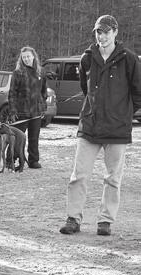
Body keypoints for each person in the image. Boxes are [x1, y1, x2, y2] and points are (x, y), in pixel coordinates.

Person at [60, 15, 141, 236]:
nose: (102, 36)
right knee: (78, 175)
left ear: (115, 32)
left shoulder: (130, 59)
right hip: (90, 126)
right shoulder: (87, 59)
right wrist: (93, 110)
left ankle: (105, 221)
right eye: (98, 32)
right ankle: (73, 218)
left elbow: (138, 93)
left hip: (117, 129)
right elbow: (86, 90)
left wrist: (123, 114)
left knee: (113, 178)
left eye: (106, 32)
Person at [8, 46, 47, 169]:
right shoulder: (18, 73)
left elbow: (43, 91)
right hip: (21, 111)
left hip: (36, 112)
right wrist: (13, 110)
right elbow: (12, 93)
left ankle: (33, 160)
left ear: (33, 57)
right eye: (24, 57)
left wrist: (42, 105)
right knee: (17, 138)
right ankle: (10, 160)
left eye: (28, 56)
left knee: (34, 138)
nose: (26, 59)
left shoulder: (41, 72)